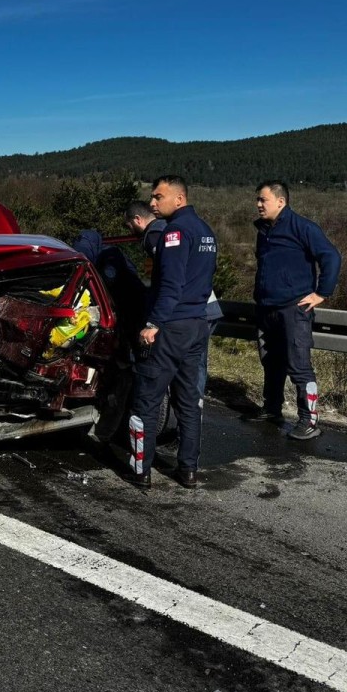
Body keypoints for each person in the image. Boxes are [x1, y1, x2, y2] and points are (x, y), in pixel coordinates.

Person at [130, 176, 217, 488]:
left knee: (146, 401)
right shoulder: (206, 231)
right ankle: (188, 471)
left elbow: (171, 286)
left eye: (158, 197)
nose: (153, 203)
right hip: (198, 326)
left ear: (179, 199)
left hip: (171, 327)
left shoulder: (175, 232)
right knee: (189, 403)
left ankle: (141, 471)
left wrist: (153, 325)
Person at [252, 180, 342, 441]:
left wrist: (322, 293)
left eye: (263, 200)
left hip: (294, 309)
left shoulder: (301, 227)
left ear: (281, 202)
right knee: (271, 363)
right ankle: (271, 409)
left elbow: (331, 256)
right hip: (267, 309)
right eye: (257, 200)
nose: (258, 204)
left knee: (298, 365)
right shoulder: (264, 230)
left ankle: (309, 420)